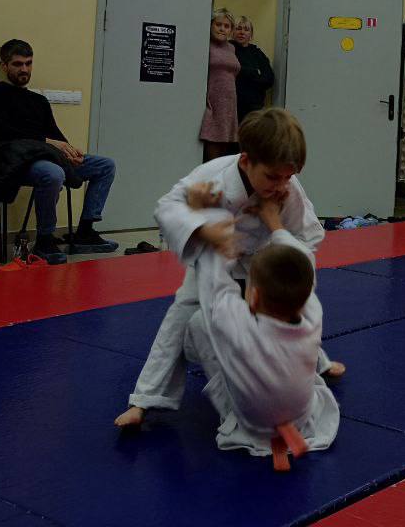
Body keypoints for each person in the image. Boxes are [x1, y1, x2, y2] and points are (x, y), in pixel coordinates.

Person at [116, 108, 341, 430]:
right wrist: (203, 230)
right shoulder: (213, 176)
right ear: (246, 161)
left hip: (264, 259)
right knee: (179, 318)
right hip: (213, 258)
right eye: (273, 177)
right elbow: (167, 207)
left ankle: (317, 362)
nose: (281, 185)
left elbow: (307, 236)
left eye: (288, 177)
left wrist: (277, 237)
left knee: (291, 307)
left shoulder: (288, 187)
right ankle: (144, 400)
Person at [123, 189, 338, 461]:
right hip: (302, 415)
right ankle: (285, 430)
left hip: (254, 422)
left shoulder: (238, 323)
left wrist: (208, 232)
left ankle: (257, 428)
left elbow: (214, 284)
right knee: (291, 376)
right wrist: (275, 223)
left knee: (197, 324)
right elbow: (301, 260)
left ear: (253, 296)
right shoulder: (313, 314)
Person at [0, 39, 117, 262]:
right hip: (12, 160)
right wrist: (48, 142)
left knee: (105, 165)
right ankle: (45, 239)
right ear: (4, 66)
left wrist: (69, 152)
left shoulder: (38, 101)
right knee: (53, 173)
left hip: (44, 155)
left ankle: (85, 231)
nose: (24, 69)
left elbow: (55, 135)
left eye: (28, 63)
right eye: (18, 64)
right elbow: (0, 132)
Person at [201, 8, 241, 162]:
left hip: (229, 105)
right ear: (211, 25)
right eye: (218, 24)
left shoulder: (232, 48)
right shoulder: (205, 45)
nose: (222, 29)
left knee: (223, 157)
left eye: (226, 26)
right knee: (211, 157)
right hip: (212, 104)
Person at [232, 16, 275, 124]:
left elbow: (269, 79)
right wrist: (255, 72)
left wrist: (244, 73)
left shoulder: (257, 53)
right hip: (232, 107)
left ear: (251, 34)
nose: (242, 32)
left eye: (246, 29)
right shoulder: (228, 49)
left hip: (254, 108)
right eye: (238, 28)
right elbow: (234, 70)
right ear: (232, 31)